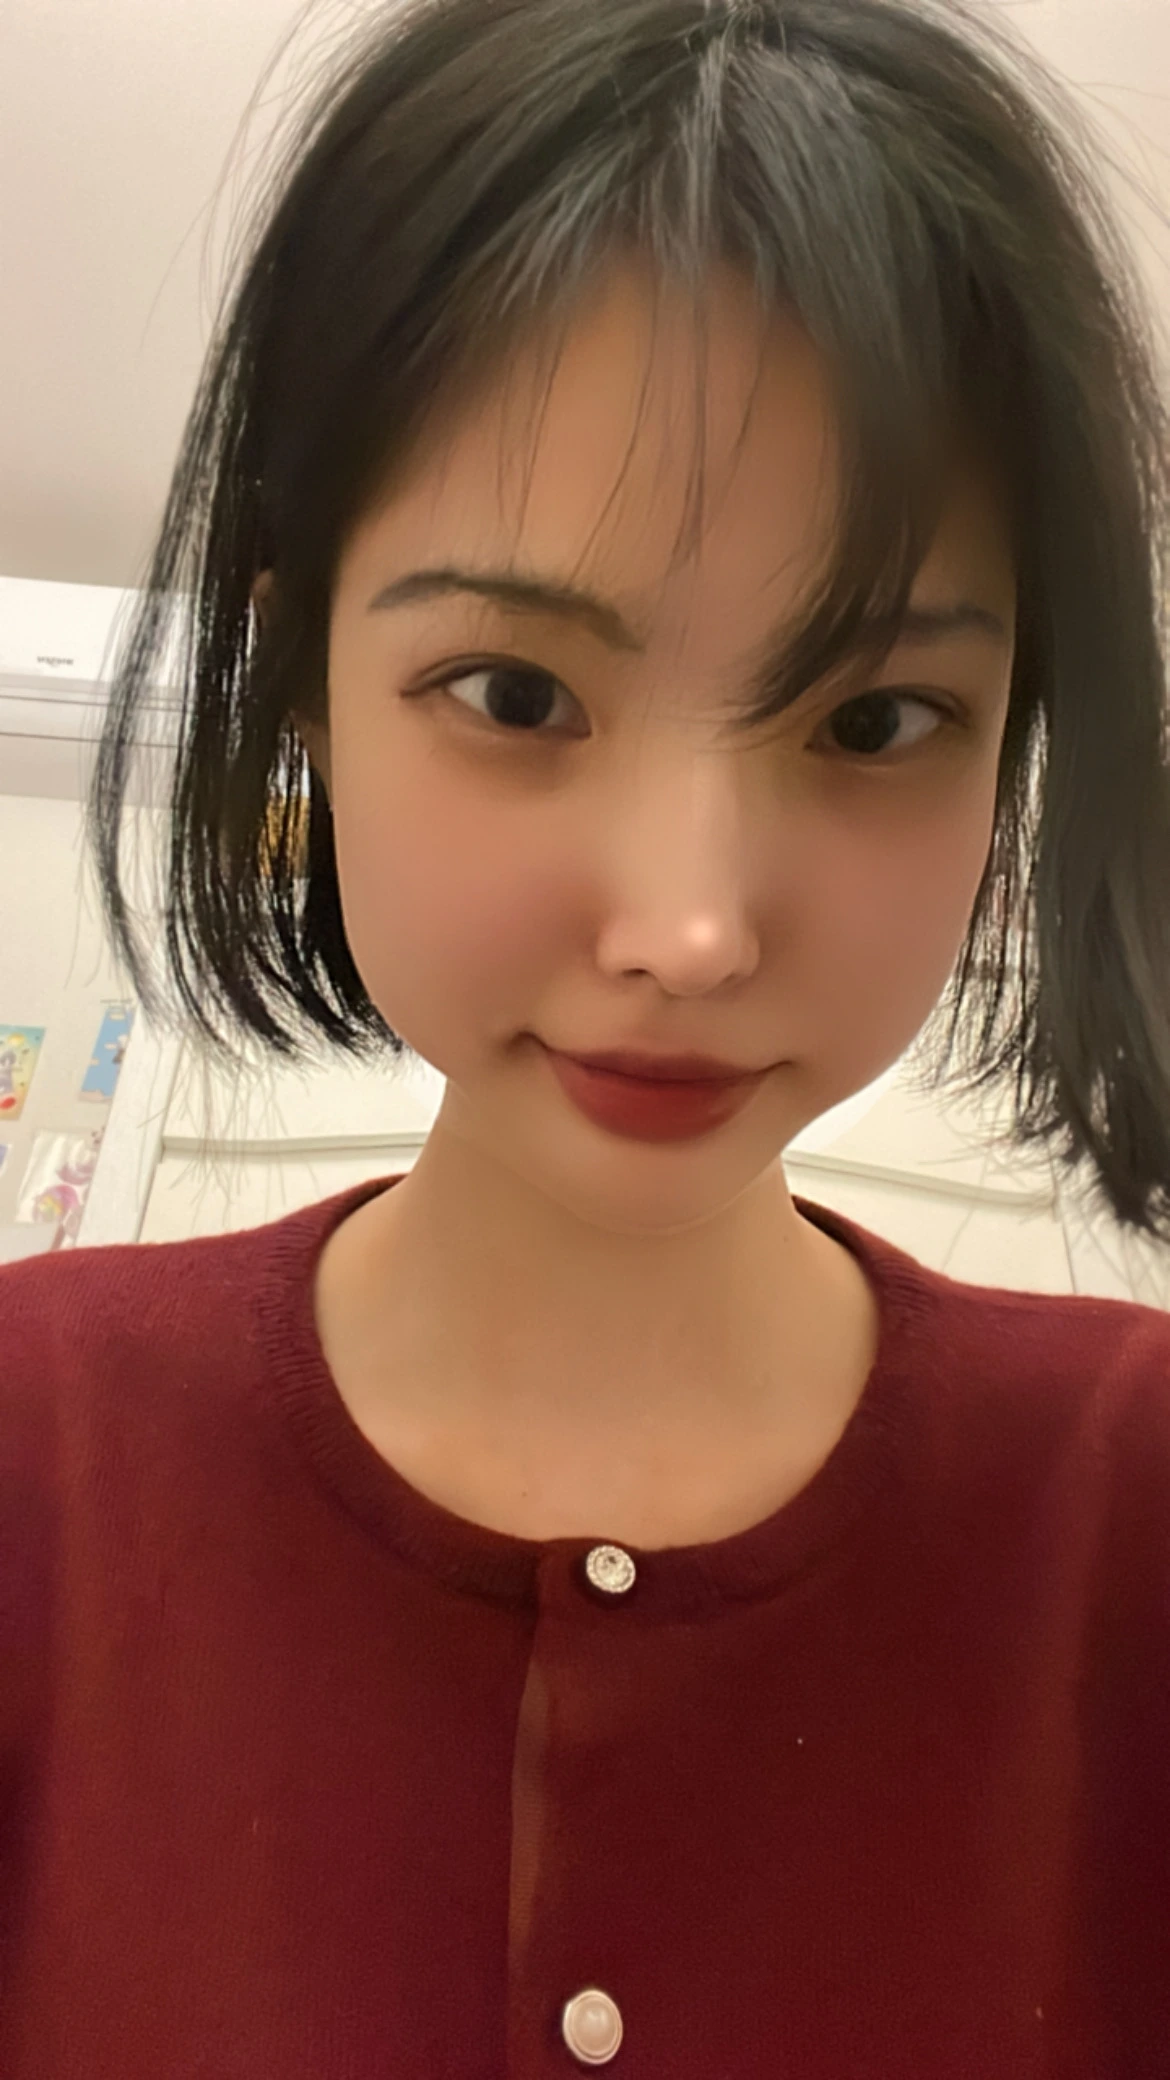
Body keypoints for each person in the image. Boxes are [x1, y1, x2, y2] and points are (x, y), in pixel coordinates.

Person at [3, 0, 1169, 2070]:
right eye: (517, 696)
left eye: (875, 720)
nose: (690, 928)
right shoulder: (37, 1450)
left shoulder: (1130, 1507)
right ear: (302, 684)